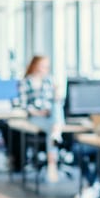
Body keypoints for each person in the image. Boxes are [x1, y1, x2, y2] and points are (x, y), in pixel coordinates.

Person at [19, 55, 64, 183]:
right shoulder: (26, 81)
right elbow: (23, 105)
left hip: (50, 115)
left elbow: (56, 101)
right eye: (42, 65)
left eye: (46, 66)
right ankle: (52, 162)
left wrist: (57, 91)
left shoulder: (49, 80)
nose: (44, 69)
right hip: (35, 116)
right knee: (53, 127)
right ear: (35, 65)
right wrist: (38, 112)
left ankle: (56, 131)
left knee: (56, 105)